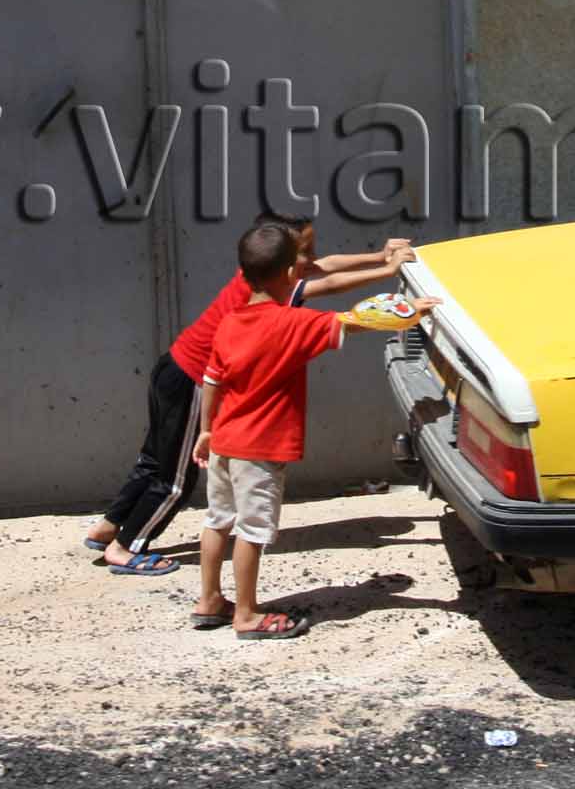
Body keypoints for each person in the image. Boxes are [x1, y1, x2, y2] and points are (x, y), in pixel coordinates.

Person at [82, 212, 410, 575]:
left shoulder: (258, 272)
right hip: (193, 380)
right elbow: (329, 283)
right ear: (285, 262)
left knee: (154, 460)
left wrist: (379, 256)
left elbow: (325, 267)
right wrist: (387, 270)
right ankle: (125, 547)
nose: (313, 260)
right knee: (176, 480)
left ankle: (107, 527)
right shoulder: (271, 289)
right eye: (305, 251)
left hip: (173, 368)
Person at [189, 221, 422, 638]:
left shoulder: (228, 322)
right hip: (259, 450)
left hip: (223, 440)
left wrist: (206, 432)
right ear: (290, 274)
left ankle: (209, 601)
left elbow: (211, 381)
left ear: (243, 272)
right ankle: (246, 614)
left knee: (217, 520)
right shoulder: (292, 323)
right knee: (252, 530)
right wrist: (414, 311)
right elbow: (355, 321)